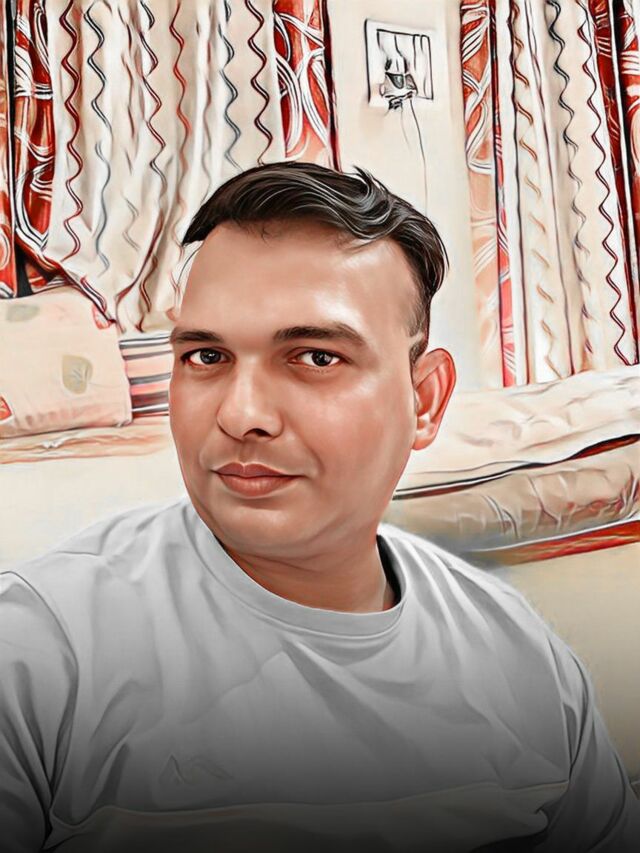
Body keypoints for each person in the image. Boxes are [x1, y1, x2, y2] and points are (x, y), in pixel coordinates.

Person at [0, 162, 638, 853]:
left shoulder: (521, 659)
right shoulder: (41, 648)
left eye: (315, 358)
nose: (241, 414)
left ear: (424, 401)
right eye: (207, 356)